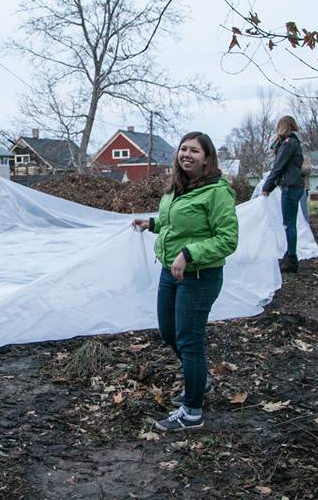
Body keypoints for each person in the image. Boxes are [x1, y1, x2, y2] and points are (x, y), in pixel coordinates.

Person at [132, 132, 238, 432]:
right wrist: (151, 223)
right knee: (169, 333)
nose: (186, 154)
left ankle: (192, 411)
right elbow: (175, 224)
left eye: (194, 150)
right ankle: (198, 379)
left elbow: (227, 240)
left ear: (207, 157)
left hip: (200, 276)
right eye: (183, 149)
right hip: (170, 272)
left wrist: (189, 254)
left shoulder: (217, 191)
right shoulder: (177, 187)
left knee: (189, 340)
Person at [261, 116, 305, 273]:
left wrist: (267, 187)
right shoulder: (292, 142)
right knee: (290, 223)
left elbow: (278, 167)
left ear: (282, 126)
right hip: (294, 185)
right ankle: (290, 253)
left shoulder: (288, 143)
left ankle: (292, 259)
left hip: (290, 187)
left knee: (289, 224)